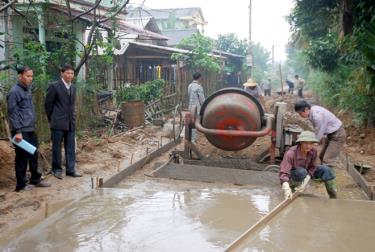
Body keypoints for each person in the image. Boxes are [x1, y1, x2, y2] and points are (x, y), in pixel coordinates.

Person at [7, 66, 50, 191]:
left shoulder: (27, 90)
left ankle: (35, 179)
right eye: (28, 76)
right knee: (21, 157)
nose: (30, 78)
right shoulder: (14, 92)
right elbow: (13, 113)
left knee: (33, 154)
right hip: (20, 132)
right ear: (20, 76)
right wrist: (18, 131)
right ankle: (20, 185)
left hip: (30, 129)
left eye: (31, 76)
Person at [45, 64, 82, 179]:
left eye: (72, 73)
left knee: (70, 147)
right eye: (67, 73)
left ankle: (71, 169)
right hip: (57, 122)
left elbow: (72, 105)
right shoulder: (54, 86)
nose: (70, 75)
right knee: (56, 147)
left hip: (70, 122)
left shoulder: (73, 87)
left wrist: (73, 117)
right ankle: (56, 169)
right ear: (62, 73)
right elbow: (48, 104)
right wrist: (52, 119)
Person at [279, 131, 337, 199]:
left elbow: (313, 166)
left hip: (306, 173)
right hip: (294, 175)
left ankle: (333, 195)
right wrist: (286, 186)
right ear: (300, 142)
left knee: (326, 169)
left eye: (311, 143)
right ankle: (292, 188)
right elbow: (283, 172)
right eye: (305, 143)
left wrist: (308, 177)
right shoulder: (291, 153)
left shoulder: (313, 151)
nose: (308, 146)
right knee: (302, 172)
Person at [294, 100, 346, 168]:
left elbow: (319, 131)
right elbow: (317, 129)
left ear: (306, 109)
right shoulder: (312, 111)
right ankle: (323, 172)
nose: (300, 115)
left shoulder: (317, 115)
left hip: (338, 135)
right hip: (331, 135)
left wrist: (312, 143)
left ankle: (330, 176)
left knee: (327, 159)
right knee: (321, 156)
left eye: (300, 113)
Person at [188, 72, 205, 143]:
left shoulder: (190, 86)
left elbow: (189, 95)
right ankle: (193, 140)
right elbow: (202, 99)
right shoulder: (199, 87)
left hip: (190, 107)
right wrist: (204, 106)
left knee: (191, 123)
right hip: (197, 108)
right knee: (195, 123)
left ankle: (190, 138)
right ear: (200, 78)